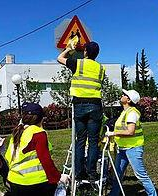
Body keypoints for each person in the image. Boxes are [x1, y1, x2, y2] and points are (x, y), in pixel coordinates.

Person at [57, 41, 106, 181]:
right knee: (93, 141)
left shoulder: (78, 63)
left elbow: (59, 58)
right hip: (96, 105)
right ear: (97, 54)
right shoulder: (101, 68)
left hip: (79, 105)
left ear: (85, 51)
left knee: (80, 141)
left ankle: (79, 172)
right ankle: (91, 172)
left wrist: (68, 49)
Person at [5, 102, 69, 196]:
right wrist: (58, 178)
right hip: (34, 183)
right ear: (40, 118)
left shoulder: (17, 133)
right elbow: (45, 160)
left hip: (14, 180)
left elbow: (8, 157)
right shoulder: (38, 133)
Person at [106, 89, 157, 196]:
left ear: (128, 100)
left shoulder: (132, 113)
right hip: (123, 148)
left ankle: (152, 194)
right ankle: (114, 194)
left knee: (140, 175)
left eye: (124, 95)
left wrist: (113, 133)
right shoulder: (124, 112)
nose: (122, 95)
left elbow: (130, 131)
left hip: (133, 148)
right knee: (118, 173)